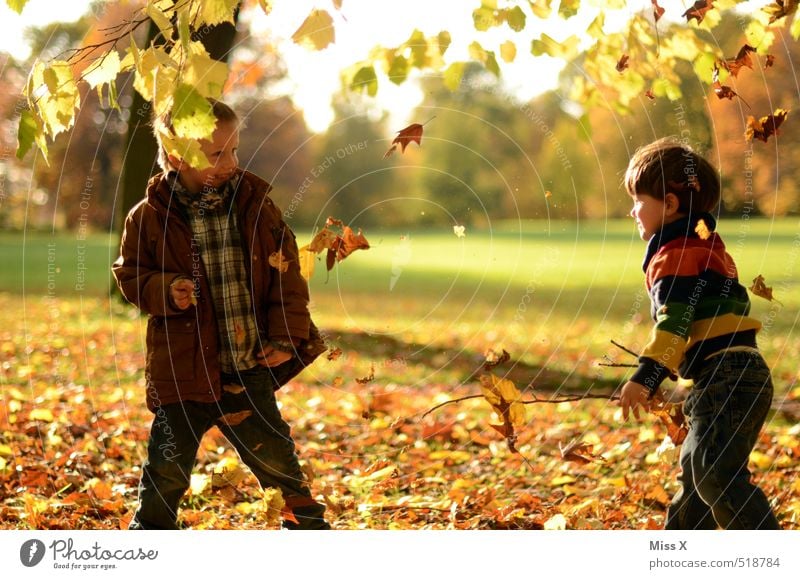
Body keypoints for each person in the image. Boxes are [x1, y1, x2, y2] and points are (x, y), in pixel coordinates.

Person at [112, 99, 329, 530]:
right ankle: (149, 535)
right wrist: (163, 289)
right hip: (185, 369)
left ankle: (307, 527)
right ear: (177, 156)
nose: (230, 162)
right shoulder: (149, 217)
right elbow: (130, 273)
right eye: (216, 154)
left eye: (234, 150)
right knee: (167, 466)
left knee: (276, 457)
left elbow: (287, 278)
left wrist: (286, 337)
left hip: (247, 365)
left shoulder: (255, 206)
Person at [618, 137, 779, 530]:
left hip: (727, 377)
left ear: (670, 205)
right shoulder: (706, 244)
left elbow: (676, 321)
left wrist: (647, 376)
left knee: (712, 475)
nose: (632, 211)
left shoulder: (673, 256)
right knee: (696, 475)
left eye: (639, 200)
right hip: (733, 374)